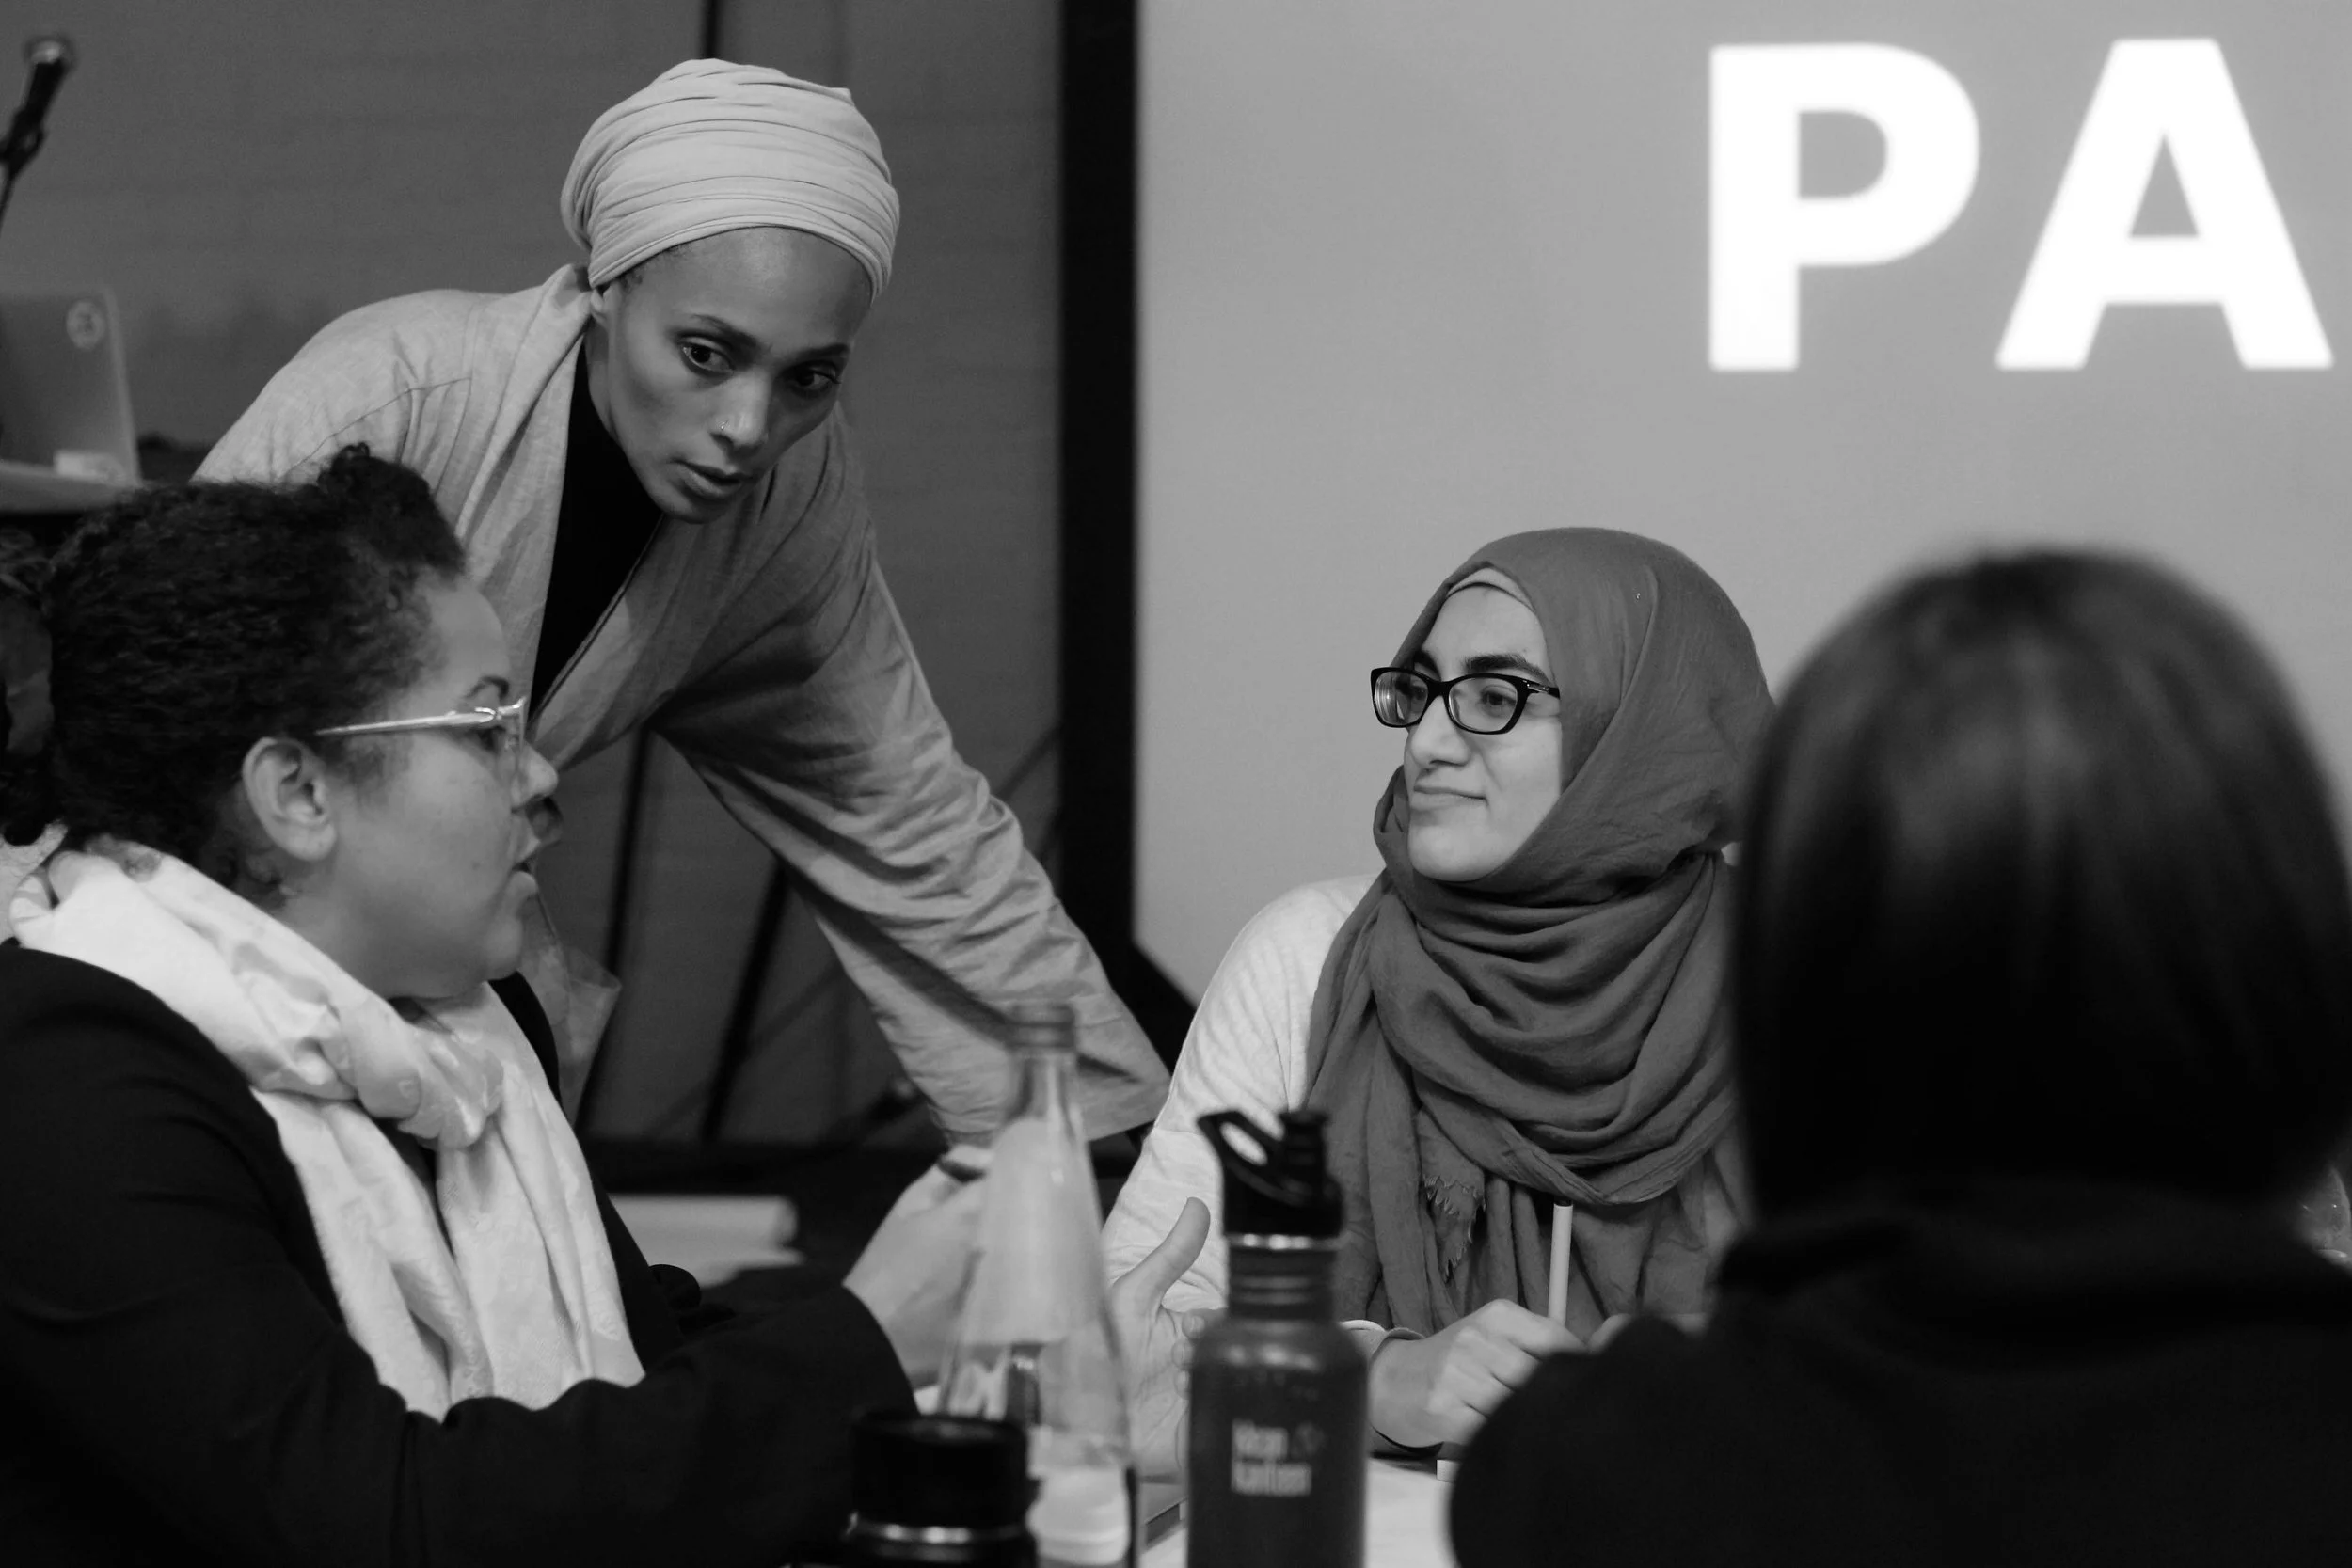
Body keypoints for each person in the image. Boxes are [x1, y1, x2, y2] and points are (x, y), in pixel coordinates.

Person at [0, 452, 986, 1564]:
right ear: (299, 793)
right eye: (483, 727)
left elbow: (647, 1354)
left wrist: (969, 1373)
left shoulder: (466, 1023)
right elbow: (374, 1518)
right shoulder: (66, 1080)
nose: (537, 773)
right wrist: (867, 1347)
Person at [190, 59, 1168, 1143]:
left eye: (809, 377)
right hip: (210, 945)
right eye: (706, 354)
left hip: (435, 985)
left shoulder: (789, 499)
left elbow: (899, 814)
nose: (749, 426)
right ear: (604, 287)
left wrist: (1127, 1149)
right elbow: (169, 713)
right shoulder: (396, 393)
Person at [1452, 550, 2352, 1568]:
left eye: (1492, 696)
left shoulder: (1596, 1469)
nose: (1435, 742)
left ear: (1796, 990)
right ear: (2289, 967)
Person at [1100, 529, 1774, 1462]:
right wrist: (1369, 1380)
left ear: (1642, 730)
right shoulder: (1306, 955)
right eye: (1418, 691)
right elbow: (1126, 1350)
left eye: (1495, 696)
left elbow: (1921, 1363)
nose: (1426, 741)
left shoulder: (1799, 985)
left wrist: (1738, 1378)